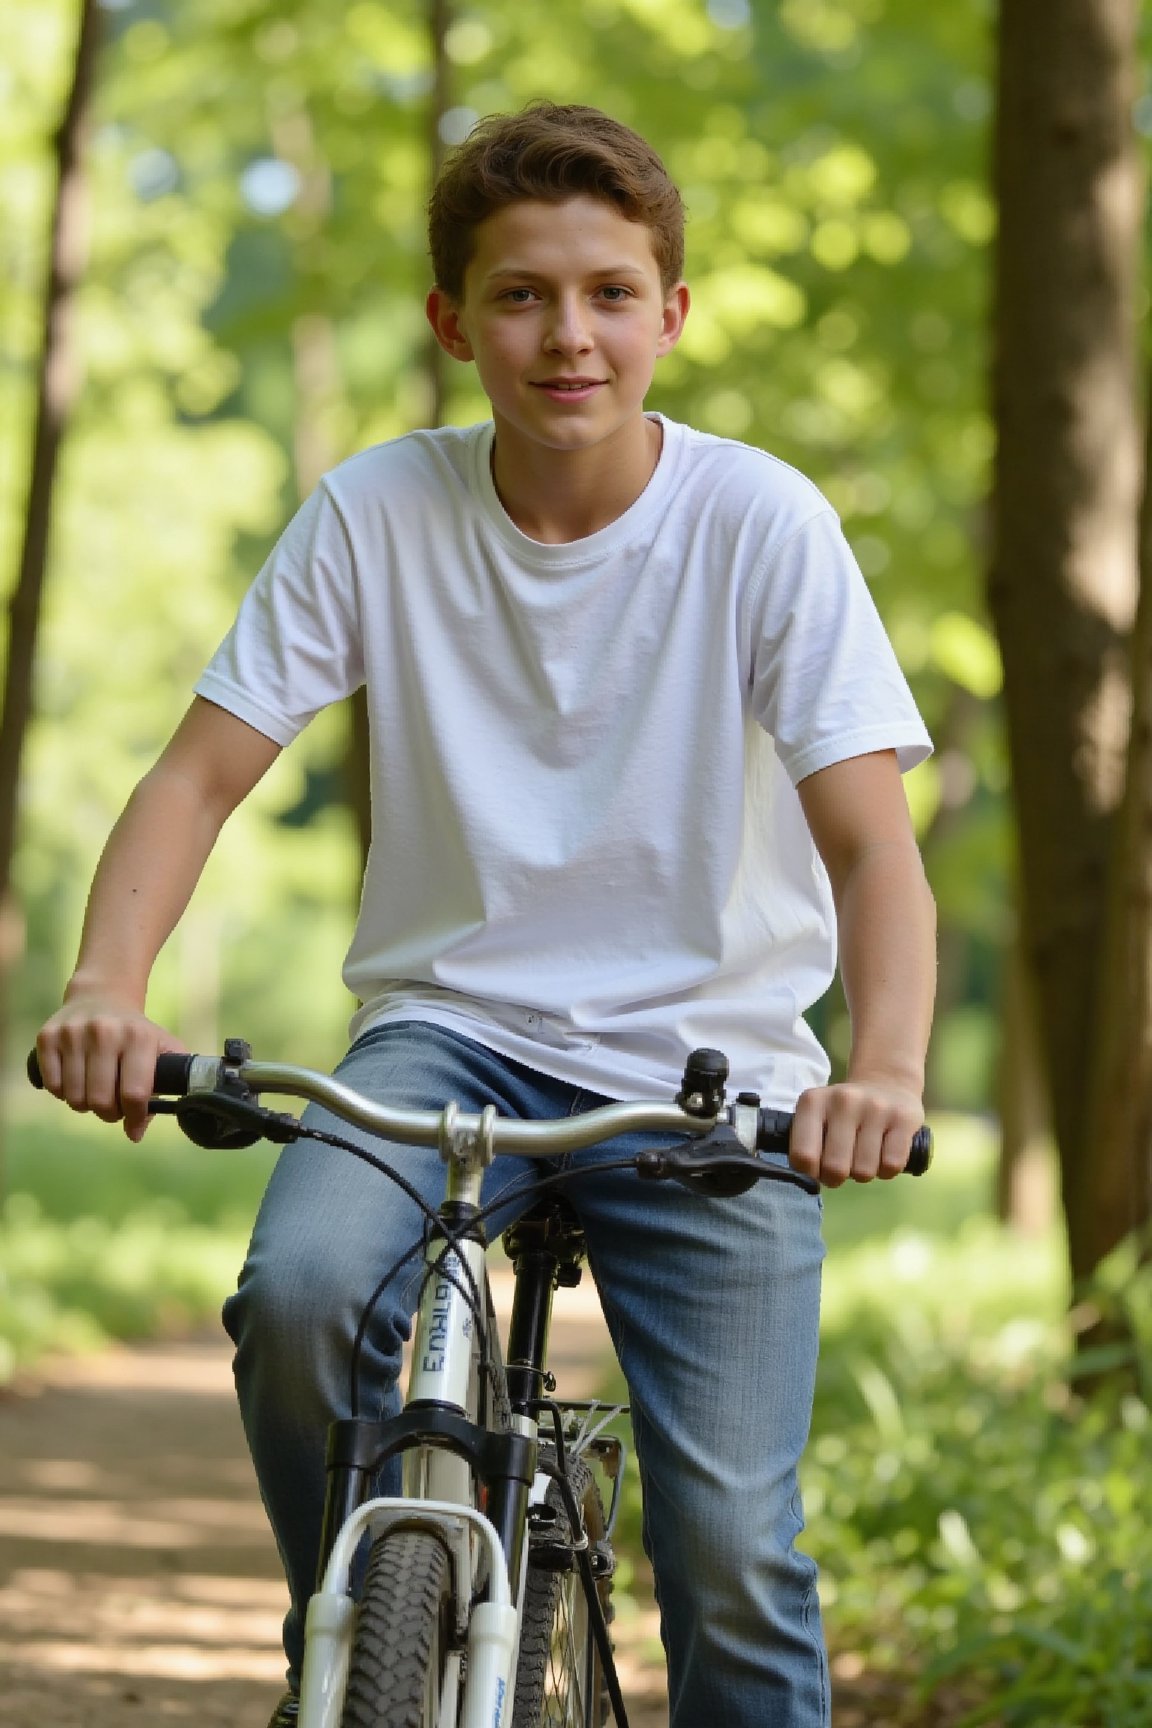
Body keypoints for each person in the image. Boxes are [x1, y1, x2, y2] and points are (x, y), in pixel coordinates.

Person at [36, 101, 936, 1728]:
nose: (567, 335)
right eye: (520, 295)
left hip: (709, 1068)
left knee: (732, 1547)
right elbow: (193, 780)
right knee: (303, 1302)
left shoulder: (761, 526)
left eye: (608, 293)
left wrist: (883, 1072)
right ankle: (364, 1638)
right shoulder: (378, 511)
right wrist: (110, 981)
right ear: (455, 323)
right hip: (447, 1041)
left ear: (673, 312)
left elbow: (875, 848)